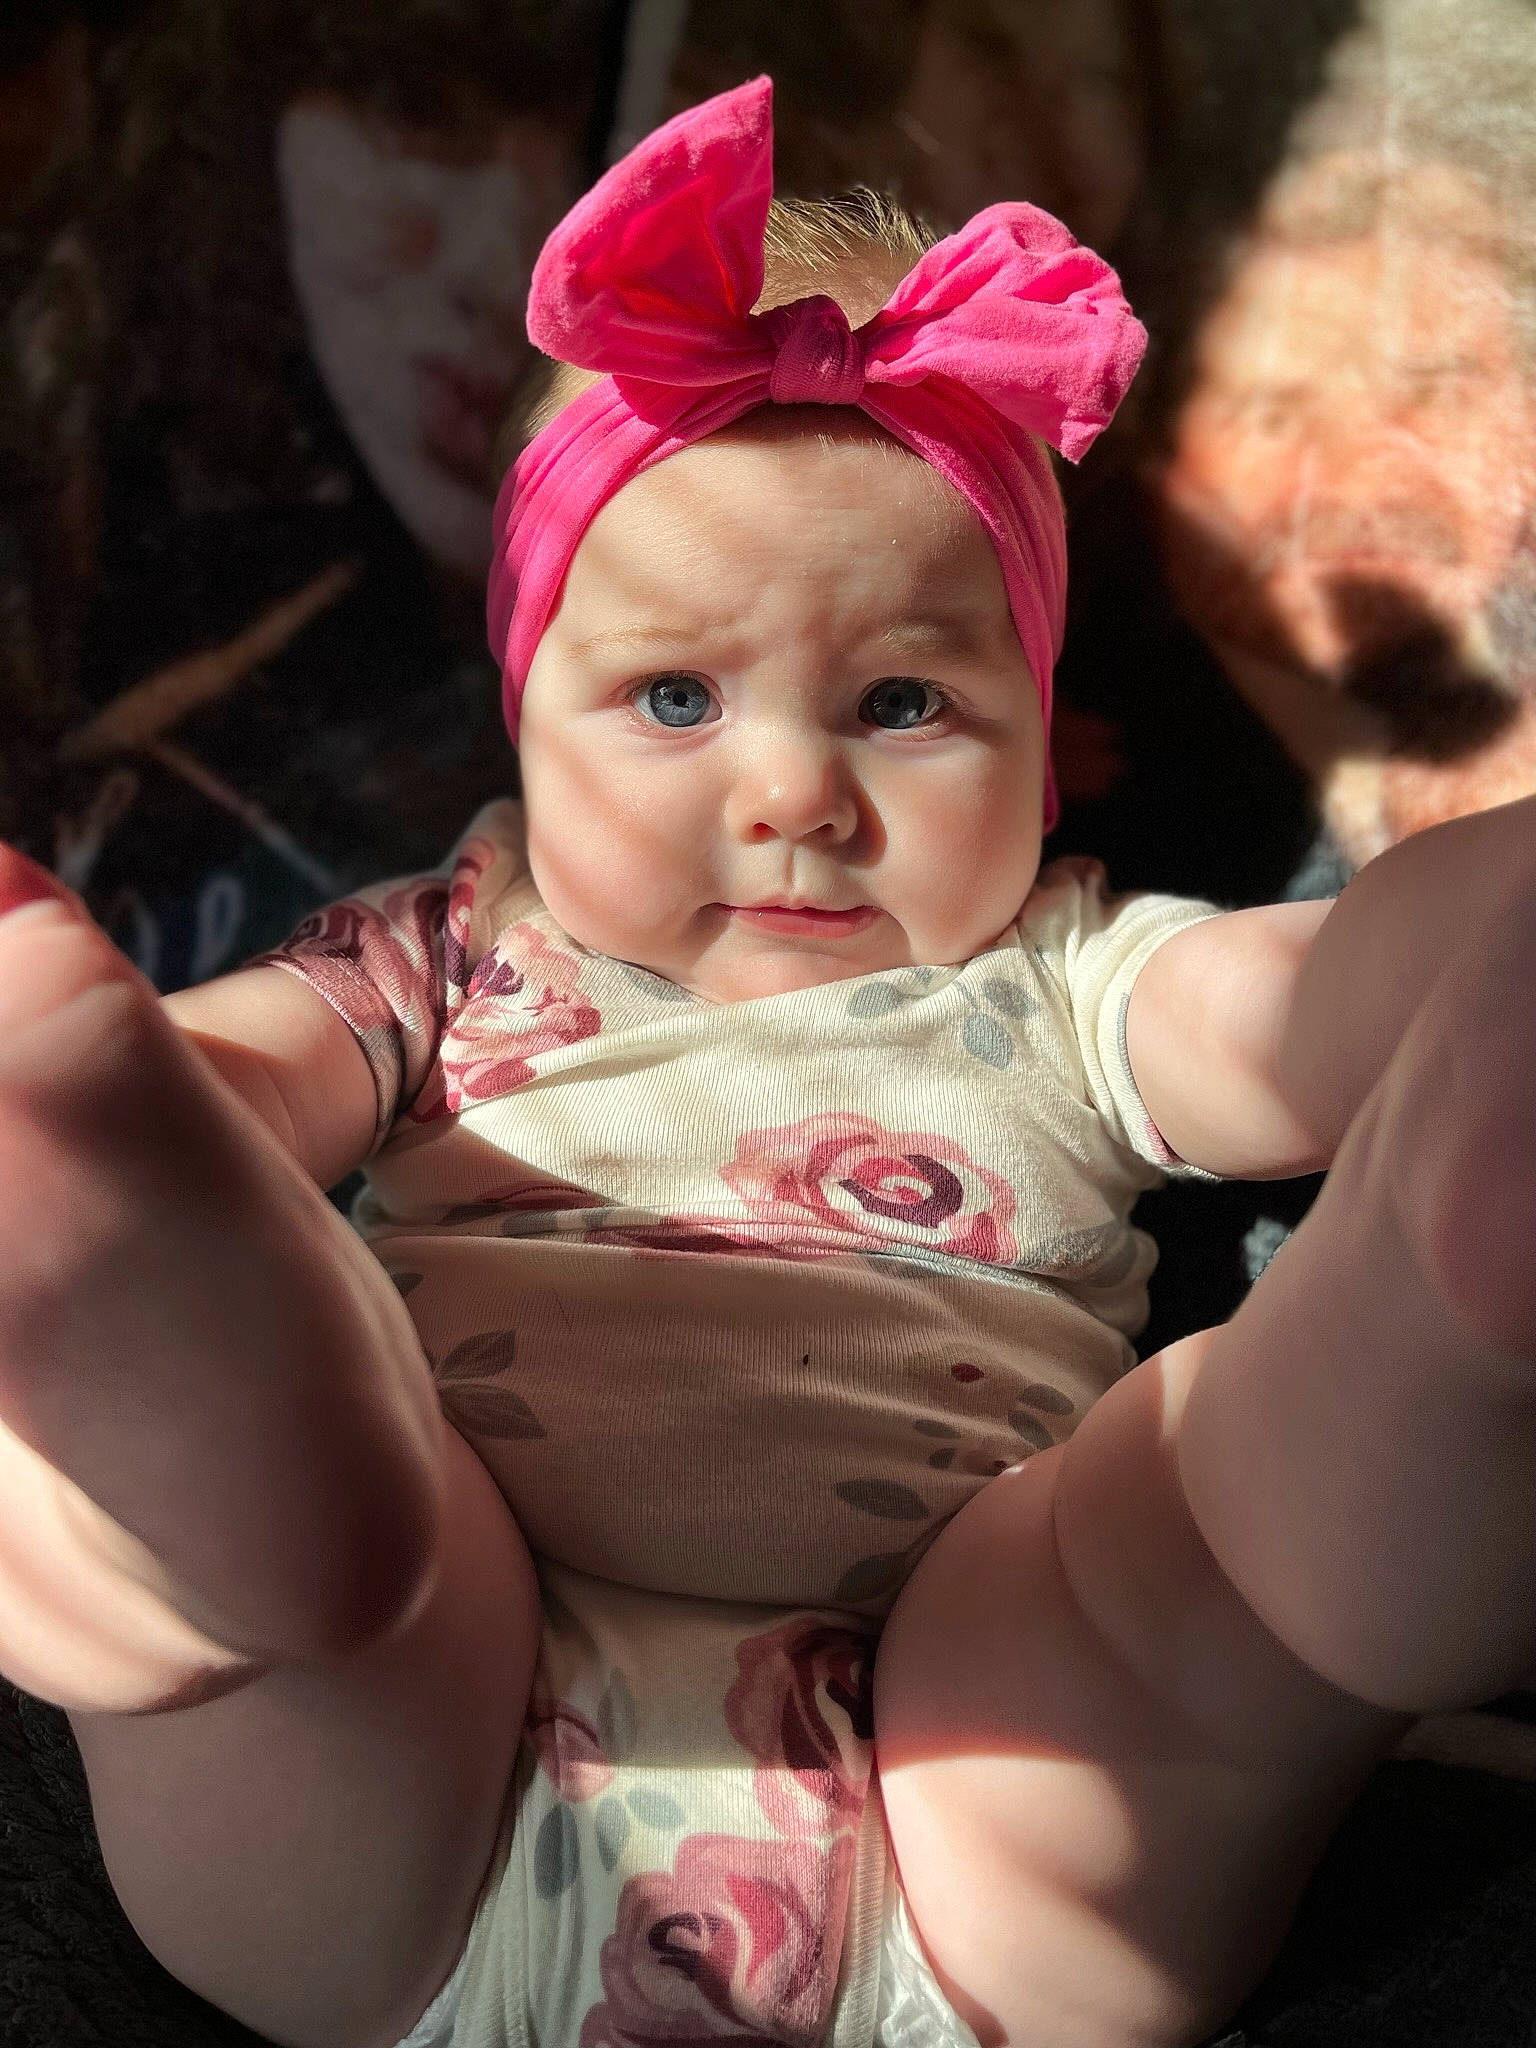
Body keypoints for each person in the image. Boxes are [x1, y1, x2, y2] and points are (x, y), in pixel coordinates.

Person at [0, 76, 1532, 2048]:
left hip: (969, 1774)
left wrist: (1447, 940)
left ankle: (1461, 1246)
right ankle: (124, 1319)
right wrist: (139, 1138)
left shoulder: (1071, 971)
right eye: (672, 696)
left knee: (1195, 1531)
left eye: (903, 700)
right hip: (443, 1755)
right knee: (333, 1504)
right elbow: (250, 1074)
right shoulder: (458, 943)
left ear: (1044, 731)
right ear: (526, 719)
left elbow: (1313, 1013)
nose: (797, 790)